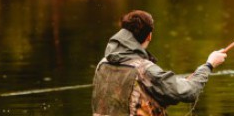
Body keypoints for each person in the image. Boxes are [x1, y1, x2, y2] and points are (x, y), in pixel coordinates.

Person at [92, 10, 227, 116]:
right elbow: (189, 92)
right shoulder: (145, 70)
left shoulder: (102, 64)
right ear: (149, 36)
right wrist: (209, 65)